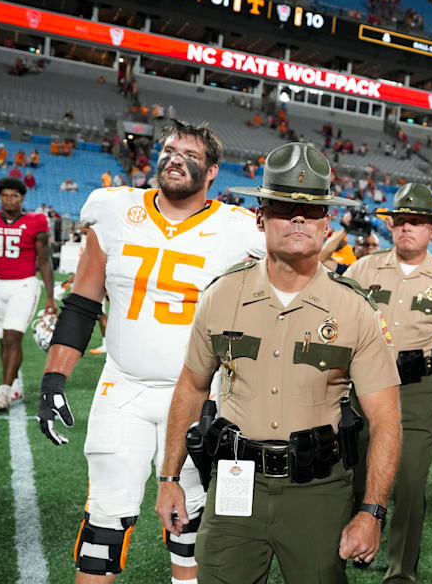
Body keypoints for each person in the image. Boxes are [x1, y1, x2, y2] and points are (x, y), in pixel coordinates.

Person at [155, 142, 403, 584]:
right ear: (260, 216)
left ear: (327, 223)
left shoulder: (355, 310)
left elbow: (386, 420)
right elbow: (192, 388)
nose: (298, 219)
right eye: (285, 206)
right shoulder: (221, 296)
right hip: (234, 485)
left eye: (312, 211)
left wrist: (372, 510)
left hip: (319, 492)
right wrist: (169, 477)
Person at [35, 120, 265, 583]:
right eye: (168, 149)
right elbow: (83, 302)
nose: (175, 158)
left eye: (190, 154)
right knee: (104, 525)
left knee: (191, 525)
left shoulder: (243, 230)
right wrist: (54, 376)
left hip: (203, 394)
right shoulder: (114, 209)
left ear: (213, 171)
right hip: (125, 387)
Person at [344, 182, 432, 583]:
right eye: (400, 221)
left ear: (431, 230)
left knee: (411, 483)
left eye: (416, 222)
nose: (407, 229)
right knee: (357, 474)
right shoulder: (362, 270)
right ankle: (356, 543)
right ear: (391, 225)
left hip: (419, 394)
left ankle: (402, 572)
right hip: (365, 385)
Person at [0, 178, 57, 409]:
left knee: (13, 338)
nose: (9, 200)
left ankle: (3, 392)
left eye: (14, 196)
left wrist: (51, 297)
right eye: (4, 195)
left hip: (24, 285)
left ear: (22, 198)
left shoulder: (36, 221)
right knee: (4, 341)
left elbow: (44, 261)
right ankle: (14, 387)